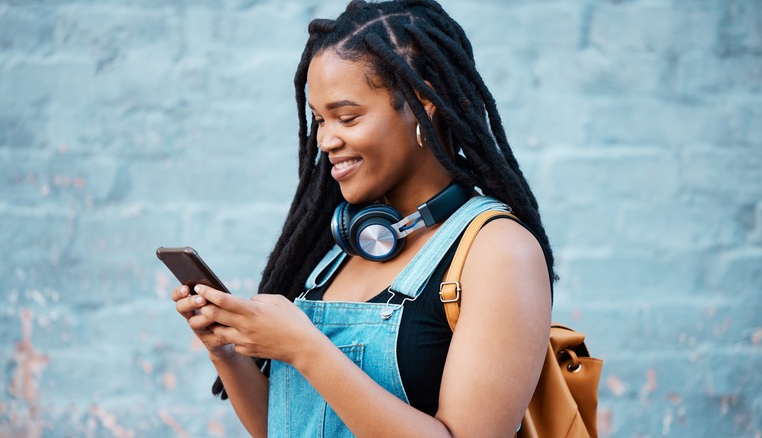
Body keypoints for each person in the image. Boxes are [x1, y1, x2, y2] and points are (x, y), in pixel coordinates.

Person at [171, 0, 555, 436]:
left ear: (422, 102)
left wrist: (306, 349)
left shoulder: (500, 252)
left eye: (346, 117)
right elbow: (285, 428)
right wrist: (228, 353)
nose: (326, 139)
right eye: (319, 119)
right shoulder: (344, 246)